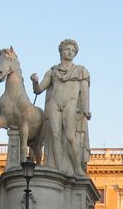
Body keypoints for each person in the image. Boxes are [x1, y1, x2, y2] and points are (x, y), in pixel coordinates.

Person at [31, 38, 91, 174]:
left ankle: (77, 168)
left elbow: (85, 93)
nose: (70, 52)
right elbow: (39, 90)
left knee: (70, 136)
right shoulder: (53, 71)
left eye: (73, 50)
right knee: (55, 135)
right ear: (61, 51)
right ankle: (58, 170)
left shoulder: (81, 71)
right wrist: (35, 82)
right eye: (67, 49)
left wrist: (86, 108)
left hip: (71, 103)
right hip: (54, 103)